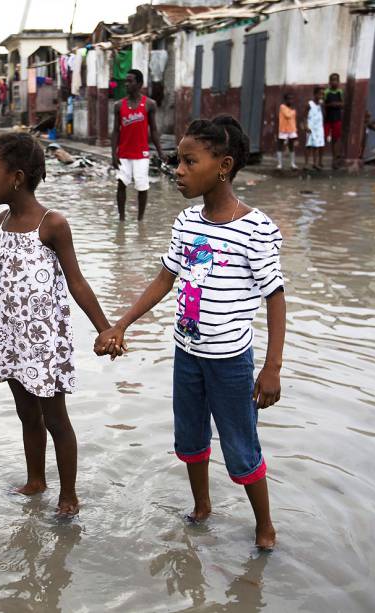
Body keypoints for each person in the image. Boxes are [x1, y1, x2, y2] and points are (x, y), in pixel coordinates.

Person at [95, 115, 286, 550]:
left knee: (240, 445)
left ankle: (265, 526)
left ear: (224, 166)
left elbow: (275, 298)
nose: (177, 170)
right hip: (187, 355)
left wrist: (272, 367)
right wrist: (121, 323)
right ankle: (202, 507)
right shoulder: (186, 222)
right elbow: (165, 278)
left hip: (230, 362)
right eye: (177, 161)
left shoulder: (256, 229)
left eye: (189, 161)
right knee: (190, 437)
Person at [0, 132, 113, 516]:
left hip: (42, 342)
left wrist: (105, 328)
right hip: (11, 336)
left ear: (16, 178)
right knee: (27, 413)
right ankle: (35, 481)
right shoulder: (3, 220)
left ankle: (69, 497)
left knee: (55, 419)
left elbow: (77, 282)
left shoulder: (52, 224)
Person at [111, 69, 165, 222]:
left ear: (139, 84)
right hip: (123, 153)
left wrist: (160, 151)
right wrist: (113, 153)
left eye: (130, 81)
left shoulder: (149, 104)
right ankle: (122, 219)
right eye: (126, 81)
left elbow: (153, 130)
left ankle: (140, 220)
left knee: (142, 186)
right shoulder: (118, 105)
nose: (126, 84)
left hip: (141, 154)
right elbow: (115, 131)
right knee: (121, 183)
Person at [323, 73, 345, 168]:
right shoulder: (326, 92)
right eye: (332, 80)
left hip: (337, 119)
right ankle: (319, 160)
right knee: (323, 138)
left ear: (339, 81)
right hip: (327, 119)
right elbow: (322, 104)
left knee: (335, 140)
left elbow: (343, 104)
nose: (334, 82)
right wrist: (330, 105)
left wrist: (337, 104)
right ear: (329, 82)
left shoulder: (340, 92)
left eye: (336, 80)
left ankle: (334, 160)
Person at [303, 87, 325, 170]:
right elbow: (304, 116)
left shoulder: (320, 105)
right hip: (310, 128)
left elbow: (323, 115)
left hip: (318, 128)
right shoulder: (309, 104)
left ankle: (315, 163)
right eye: (320, 94)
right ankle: (306, 163)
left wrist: (322, 106)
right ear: (315, 94)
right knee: (308, 145)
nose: (321, 96)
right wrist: (306, 126)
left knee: (316, 146)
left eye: (323, 94)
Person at [276, 92, 298, 170]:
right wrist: (293, 111)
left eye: (292, 99)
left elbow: (293, 120)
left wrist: (295, 129)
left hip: (291, 129)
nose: (290, 101)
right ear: (285, 100)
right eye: (289, 99)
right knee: (280, 145)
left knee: (291, 146)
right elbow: (288, 115)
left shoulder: (292, 108)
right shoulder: (282, 107)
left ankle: (292, 164)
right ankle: (279, 164)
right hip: (283, 129)